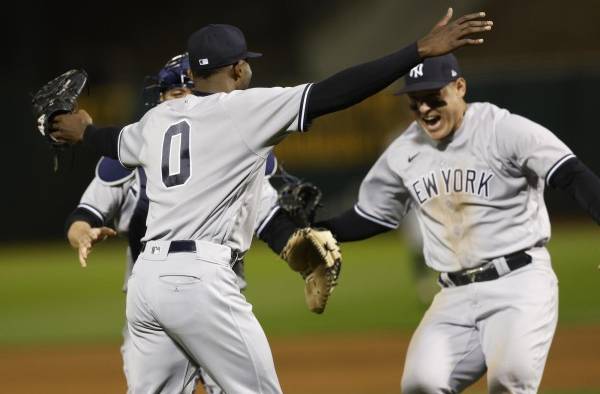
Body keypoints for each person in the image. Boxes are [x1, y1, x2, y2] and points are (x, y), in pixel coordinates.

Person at [51, 11, 492, 393]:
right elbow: (337, 91)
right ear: (238, 69)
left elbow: (106, 139)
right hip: (199, 281)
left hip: (146, 284)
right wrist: (417, 50)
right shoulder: (242, 110)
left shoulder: (157, 119)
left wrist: (78, 128)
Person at [286, 53, 600, 393]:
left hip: (519, 284)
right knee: (420, 384)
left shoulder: (503, 129)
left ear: (460, 87)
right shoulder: (404, 150)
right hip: (453, 296)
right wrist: (321, 229)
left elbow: (572, 175)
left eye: (433, 97)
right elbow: (370, 215)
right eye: (415, 101)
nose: (424, 108)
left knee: (509, 380)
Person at [65, 53, 282, 394]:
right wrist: (81, 233)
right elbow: (85, 214)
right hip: (169, 299)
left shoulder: (234, 149)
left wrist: (295, 240)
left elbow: (271, 218)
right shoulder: (132, 154)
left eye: (188, 93)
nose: (182, 101)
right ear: (161, 98)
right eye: (173, 94)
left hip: (206, 293)